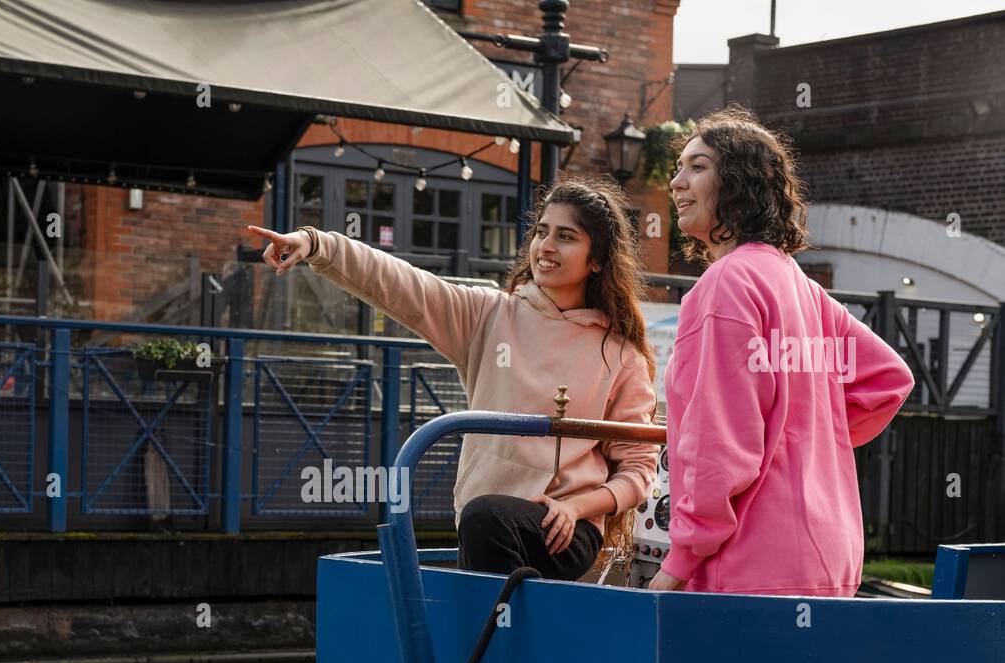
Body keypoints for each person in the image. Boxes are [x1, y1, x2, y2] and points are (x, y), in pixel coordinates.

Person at [246, 177, 657, 581]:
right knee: (484, 524)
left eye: (566, 236)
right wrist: (319, 244)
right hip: (486, 527)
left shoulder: (620, 354)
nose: (545, 247)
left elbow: (638, 470)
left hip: (562, 530)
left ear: (597, 259)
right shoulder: (489, 316)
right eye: (541, 232)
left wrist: (577, 507)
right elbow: (403, 286)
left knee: (485, 521)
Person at [652, 106, 914, 597]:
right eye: (678, 167)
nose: (675, 181)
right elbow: (888, 379)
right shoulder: (798, 283)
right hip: (830, 557)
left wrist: (679, 562)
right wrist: (803, 441)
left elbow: (718, 443)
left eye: (697, 166)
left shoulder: (725, 285)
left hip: (750, 566)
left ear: (739, 183)